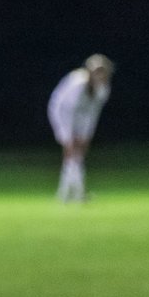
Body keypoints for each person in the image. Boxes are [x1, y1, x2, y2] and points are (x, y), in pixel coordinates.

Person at [48, 53, 114, 202]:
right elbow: (67, 110)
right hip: (61, 112)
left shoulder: (103, 89)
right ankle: (78, 193)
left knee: (79, 153)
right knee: (70, 150)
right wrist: (69, 137)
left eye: (103, 71)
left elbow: (93, 113)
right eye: (97, 71)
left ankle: (65, 194)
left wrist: (87, 135)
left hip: (82, 116)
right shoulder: (77, 83)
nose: (100, 75)